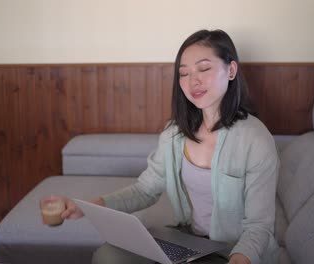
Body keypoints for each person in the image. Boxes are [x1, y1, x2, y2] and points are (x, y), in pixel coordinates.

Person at [53, 29, 279, 264]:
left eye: (203, 69)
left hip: (234, 250)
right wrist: (92, 206)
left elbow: (259, 227)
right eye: (184, 73)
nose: (193, 81)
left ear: (231, 70)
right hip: (190, 241)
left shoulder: (256, 139)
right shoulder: (175, 133)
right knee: (107, 256)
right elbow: (145, 190)